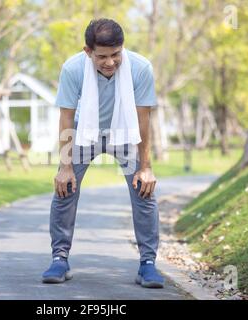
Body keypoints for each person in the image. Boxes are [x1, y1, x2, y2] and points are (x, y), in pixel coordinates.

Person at [42, 18, 164, 289]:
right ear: (88, 51)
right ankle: (59, 258)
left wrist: (146, 166)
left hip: (125, 131)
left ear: (123, 48)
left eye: (116, 54)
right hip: (85, 133)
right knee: (65, 188)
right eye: (102, 56)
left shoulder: (140, 68)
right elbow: (65, 118)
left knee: (145, 189)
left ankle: (148, 264)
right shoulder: (73, 68)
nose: (110, 62)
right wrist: (64, 167)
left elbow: (144, 118)